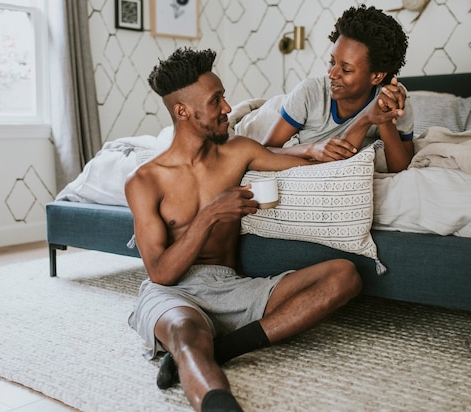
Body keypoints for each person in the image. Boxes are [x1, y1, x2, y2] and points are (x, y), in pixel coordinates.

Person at [125, 47, 363, 412]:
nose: (226, 107)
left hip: (232, 285)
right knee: (188, 337)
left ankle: (226, 347)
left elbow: (294, 160)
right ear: (183, 111)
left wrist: (316, 147)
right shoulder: (144, 181)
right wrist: (210, 214)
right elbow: (162, 272)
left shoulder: (238, 151)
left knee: (344, 275)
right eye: (216, 99)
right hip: (174, 293)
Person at [262, 5, 413, 172]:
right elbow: (264, 151)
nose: (332, 74)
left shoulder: (394, 100)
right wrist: (311, 149)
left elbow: (402, 170)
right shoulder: (309, 92)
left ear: (376, 76)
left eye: (346, 69)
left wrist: (383, 117)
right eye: (332, 62)